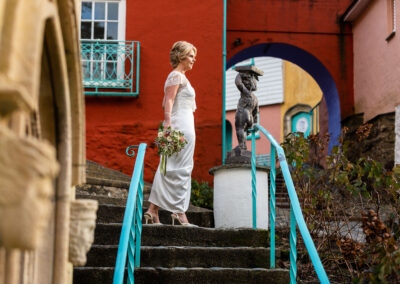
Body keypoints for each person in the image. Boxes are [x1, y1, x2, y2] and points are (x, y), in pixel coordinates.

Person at [144, 41, 197, 226]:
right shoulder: (176, 76)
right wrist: (167, 123)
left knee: (171, 166)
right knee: (179, 168)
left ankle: (153, 211)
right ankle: (179, 213)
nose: (193, 59)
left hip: (185, 123)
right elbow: (168, 100)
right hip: (179, 124)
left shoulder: (181, 77)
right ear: (181, 56)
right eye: (190, 56)